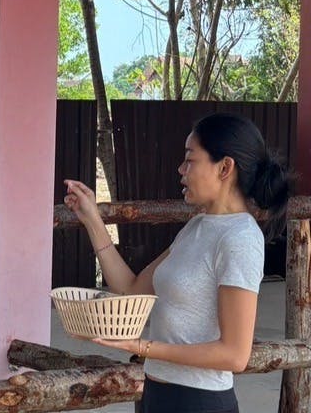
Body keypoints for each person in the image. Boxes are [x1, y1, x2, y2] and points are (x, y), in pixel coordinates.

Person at [64, 112, 291, 413]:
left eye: (190, 159)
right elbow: (131, 289)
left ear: (225, 167)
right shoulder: (196, 227)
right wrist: (92, 219)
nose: (181, 169)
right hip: (155, 393)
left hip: (199, 401)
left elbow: (235, 354)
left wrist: (144, 348)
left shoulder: (240, 238)